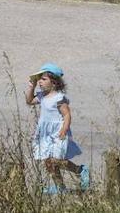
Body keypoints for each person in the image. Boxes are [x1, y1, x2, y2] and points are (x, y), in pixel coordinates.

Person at [26, 63, 88, 194]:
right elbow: (29, 101)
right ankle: (60, 187)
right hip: (44, 133)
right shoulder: (42, 96)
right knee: (48, 162)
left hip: (57, 132)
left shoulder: (59, 98)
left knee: (57, 159)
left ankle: (80, 170)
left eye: (43, 79)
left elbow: (67, 115)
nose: (40, 82)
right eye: (39, 80)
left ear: (53, 82)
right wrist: (31, 86)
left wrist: (64, 130)